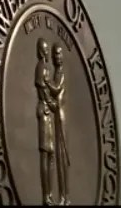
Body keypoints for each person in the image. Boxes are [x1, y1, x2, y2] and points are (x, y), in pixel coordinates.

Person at [47, 44, 70, 206]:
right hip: (56, 114)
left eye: (59, 54)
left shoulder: (60, 74)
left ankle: (65, 197)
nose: (57, 57)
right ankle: (63, 196)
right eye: (55, 54)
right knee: (59, 158)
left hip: (60, 118)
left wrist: (46, 82)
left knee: (62, 158)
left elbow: (56, 89)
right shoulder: (56, 72)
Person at [34, 38, 56, 205]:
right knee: (45, 154)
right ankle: (45, 195)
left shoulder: (47, 67)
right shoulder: (40, 68)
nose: (47, 51)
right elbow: (42, 89)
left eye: (48, 48)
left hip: (49, 114)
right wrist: (50, 103)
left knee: (51, 154)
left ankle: (50, 194)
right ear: (41, 51)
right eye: (45, 49)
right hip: (45, 112)